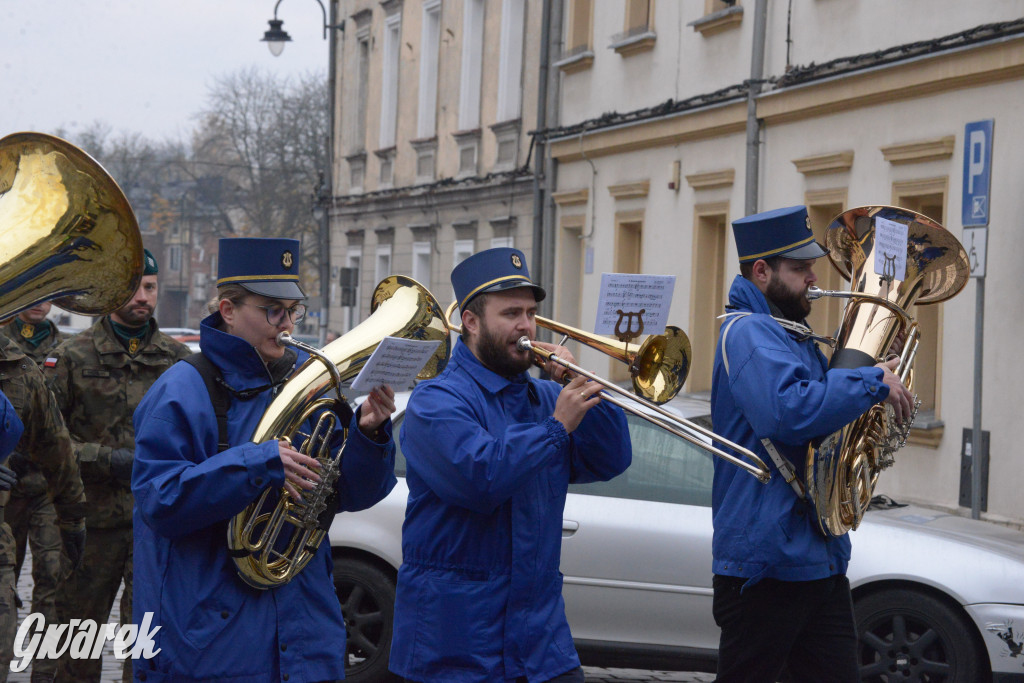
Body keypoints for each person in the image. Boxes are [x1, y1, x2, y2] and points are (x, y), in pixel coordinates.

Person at [131, 237, 397, 682]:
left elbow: (348, 495)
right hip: (213, 640)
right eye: (273, 310)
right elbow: (159, 502)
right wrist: (256, 465)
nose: (287, 324)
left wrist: (369, 435)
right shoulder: (181, 389)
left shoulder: (309, 385)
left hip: (307, 632)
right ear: (228, 310)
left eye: (293, 310)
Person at [390, 247, 632, 683]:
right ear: (471, 321)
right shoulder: (435, 401)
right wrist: (556, 427)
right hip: (455, 644)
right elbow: (481, 478)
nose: (526, 326)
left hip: (542, 642)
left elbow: (611, 459)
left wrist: (580, 385)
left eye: (531, 313)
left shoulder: (546, 397)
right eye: (511, 313)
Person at [709, 206, 915, 683]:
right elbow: (790, 412)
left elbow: (829, 424)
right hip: (766, 565)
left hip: (816, 556)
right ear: (762, 272)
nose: (813, 278)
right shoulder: (749, 332)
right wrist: (870, 382)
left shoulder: (791, 335)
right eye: (800, 269)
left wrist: (877, 369)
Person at [44, 249, 191, 683]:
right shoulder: (72, 356)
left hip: (156, 524)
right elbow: (48, 444)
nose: (142, 297)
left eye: (150, 287)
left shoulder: (180, 361)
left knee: (147, 645)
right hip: (91, 524)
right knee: (76, 638)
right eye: (133, 288)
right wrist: (108, 459)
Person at [0, 334, 87, 683]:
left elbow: (56, 447)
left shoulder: (18, 369)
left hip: (26, 509)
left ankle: (43, 671)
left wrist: (73, 517)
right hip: (15, 502)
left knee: (50, 577)